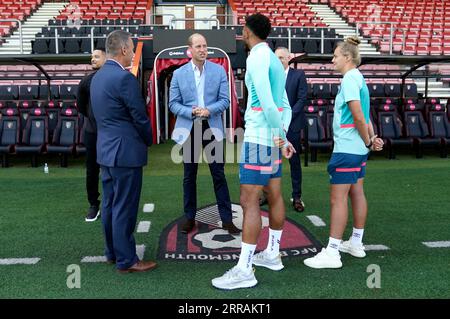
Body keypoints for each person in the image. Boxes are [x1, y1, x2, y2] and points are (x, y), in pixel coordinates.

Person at [211, 13, 295, 290]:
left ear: (247, 32)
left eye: (242, 30)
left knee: (248, 202)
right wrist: (282, 136)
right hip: (269, 138)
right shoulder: (273, 58)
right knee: (274, 194)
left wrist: (280, 137)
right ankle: (272, 253)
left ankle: (245, 269)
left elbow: (270, 105)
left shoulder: (257, 57)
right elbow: (285, 106)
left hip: (260, 139)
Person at [303, 36, 384, 269]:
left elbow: (359, 116)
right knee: (357, 192)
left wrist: (370, 140)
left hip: (348, 148)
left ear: (347, 57)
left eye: (336, 55)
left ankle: (332, 252)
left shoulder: (350, 79)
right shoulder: (358, 78)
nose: (332, 59)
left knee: (337, 198)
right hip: (357, 148)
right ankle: (356, 243)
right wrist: (371, 138)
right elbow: (365, 116)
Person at [90, 30, 156, 273]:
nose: (133, 54)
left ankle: (112, 252)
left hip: (105, 151)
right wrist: (149, 139)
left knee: (109, 204)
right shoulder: (124, 78)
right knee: (124, 208)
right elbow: (139, 116)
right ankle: (127, 260)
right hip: (125, 152)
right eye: (132, 48)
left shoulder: (97, 77)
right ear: (125, 49)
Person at [169, 33, 239, 235]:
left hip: (212, 126)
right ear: (189, 50)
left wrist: (209, 110)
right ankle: (190, 217)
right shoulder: (178, 74)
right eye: (198, 46)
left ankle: (226, 220)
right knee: (189, 176)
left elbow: (225, 100)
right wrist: (191, 111)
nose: (202, 50)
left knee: (219, 175)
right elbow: (173, 104)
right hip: (189, 129)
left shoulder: (219, 71)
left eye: (205, 46)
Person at [275, 46, 308, 212]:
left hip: (292, 126)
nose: (279, 60)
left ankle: (297, 197)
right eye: (276, 58)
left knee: (294, 163)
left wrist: (286, 119)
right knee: (272, 162)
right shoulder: (270, 76)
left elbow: (302, 100)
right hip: (274, 127)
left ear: (289, 58)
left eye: (282, 57)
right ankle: (268, 195)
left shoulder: (298, 75)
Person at [77, 47, 106, 222]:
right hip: (92, 132)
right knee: (92, 170)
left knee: (113, 167)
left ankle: (113, 203)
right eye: (91, 57)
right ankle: (94, 205)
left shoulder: (114, 79)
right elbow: (81, 107)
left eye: (96, 56)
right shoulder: (86, 82)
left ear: (106, 57)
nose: (93, 59)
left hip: (111, 133)